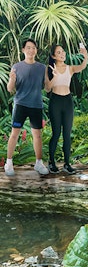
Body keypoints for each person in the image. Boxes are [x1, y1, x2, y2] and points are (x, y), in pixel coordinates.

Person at [5, 39, 50, 177]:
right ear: (23, 50)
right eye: (28, 48)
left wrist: (50, 78)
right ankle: (9, 162)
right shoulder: (17, 67)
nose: (31, 50)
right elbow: (10, 89)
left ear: (36, 50)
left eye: (34, 48)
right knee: (15, 133)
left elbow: (48, 88)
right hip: (20, 105)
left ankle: (38, 163)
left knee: (37, 135)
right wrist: (12, 79)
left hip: (36, 105)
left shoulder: (42, 68)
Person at [45, 41, 88, 174]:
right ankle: (51, 162)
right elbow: (47, 88)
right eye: (59, 52)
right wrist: (54, 76)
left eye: (63, 51)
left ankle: (67, 163)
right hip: (55, 101)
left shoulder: (70, 68)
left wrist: (85, 56)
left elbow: (82, 66)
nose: (62, 54)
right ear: (53, 56)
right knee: (56, 133)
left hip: (67, 101)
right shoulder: (49, 69)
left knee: (67, 134)